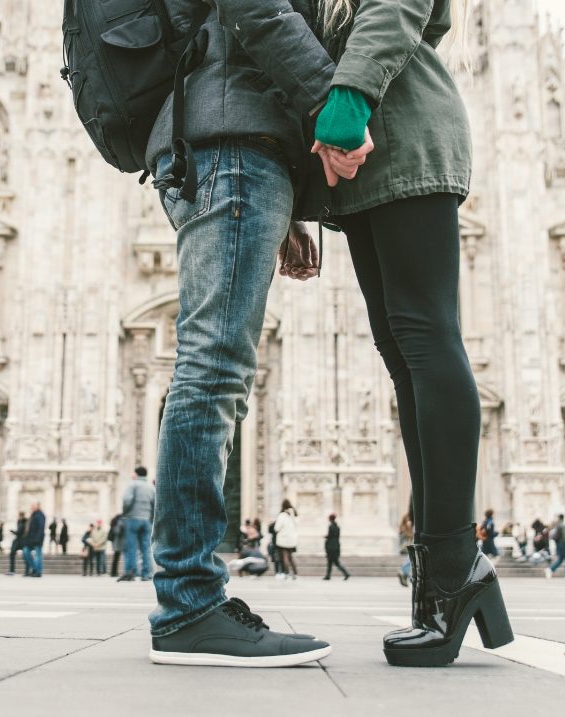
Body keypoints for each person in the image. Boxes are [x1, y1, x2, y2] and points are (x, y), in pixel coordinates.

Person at [301, 0, 511, 667]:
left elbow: (397, 10)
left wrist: (348, 102)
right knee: (401, 354)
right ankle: (441, 573)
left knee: (427, 338)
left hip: (403, 131)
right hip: (355, 162)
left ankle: (454, 561)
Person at [137, 0, 336, 667]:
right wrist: (335, 109)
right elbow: (256, 10)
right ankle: (190, 603)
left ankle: (191, 598)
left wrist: (290, 209)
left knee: (213, 371)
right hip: (230, 147)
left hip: (232, 148)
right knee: (212, 373)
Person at [118, 466, 154, 583]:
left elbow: (127, 500)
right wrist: (151, 517)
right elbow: (155, 504)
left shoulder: (132, 485)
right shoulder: (151, 487)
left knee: (131, 547)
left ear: (136, 474)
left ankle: (130, 572)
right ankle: (147, 573)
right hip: (146, 519)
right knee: (146, 548)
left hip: (133, 518)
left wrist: (125, 513)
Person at [273, 500, 300, 580]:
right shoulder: (293, 515)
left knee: (285, 557)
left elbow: (277, 528)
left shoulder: (282, 515)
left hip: (283, 539)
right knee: (291, 557)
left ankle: (286, 573)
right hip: (292, 539)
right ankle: (295, 574)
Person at [544, 514, 565, 582]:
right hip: (563, 545)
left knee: (560, 559)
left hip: (559, 545)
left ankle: (550, 569)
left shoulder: (557, 525)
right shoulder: (562, 526)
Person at [323, 514, 350, 580]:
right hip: (336, 546)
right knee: (333, 562)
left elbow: (330, 536)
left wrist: (326, 537)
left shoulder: (331, 526)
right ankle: (328, 575)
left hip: (331, 547)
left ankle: (345, 573)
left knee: (333, 562)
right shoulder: (337, 527)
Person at [22, 502, 46, 577]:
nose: (31, 507)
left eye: (33, 506)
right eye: (31, 506)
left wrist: (38, 539)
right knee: (25, 551)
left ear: (37, 506)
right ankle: (35, 569)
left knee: (38, 555)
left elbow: (41, 528)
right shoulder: (33, 515)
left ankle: (38, 572)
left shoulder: (40, 515)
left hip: (37, 540)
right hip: (30, 540)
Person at [396, 513, 414, 586]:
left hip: (408, 548)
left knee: (411, 559)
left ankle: (405, 575)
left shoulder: (406, 529)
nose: (410, 522)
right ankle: (405, 573)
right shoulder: (404, 530)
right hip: (405, 548)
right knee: (411, 557)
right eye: (408, 521)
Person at [6, 511, 27, 576]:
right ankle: (12, 570)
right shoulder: (19, 521)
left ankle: (27, 570)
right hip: (18, 540)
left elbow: (19, 531)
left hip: (22, 541)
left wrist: (13, 531)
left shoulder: (24, 522)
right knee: (12, 554)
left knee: (25, 555)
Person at [108, 513, 124, 578]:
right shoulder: (117, 524)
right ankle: (113, 572)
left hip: (115, 544)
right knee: (116, 558)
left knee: (115, 558)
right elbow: (117, 532)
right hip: (118, 544)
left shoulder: (114, 524)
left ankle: (113, 572)